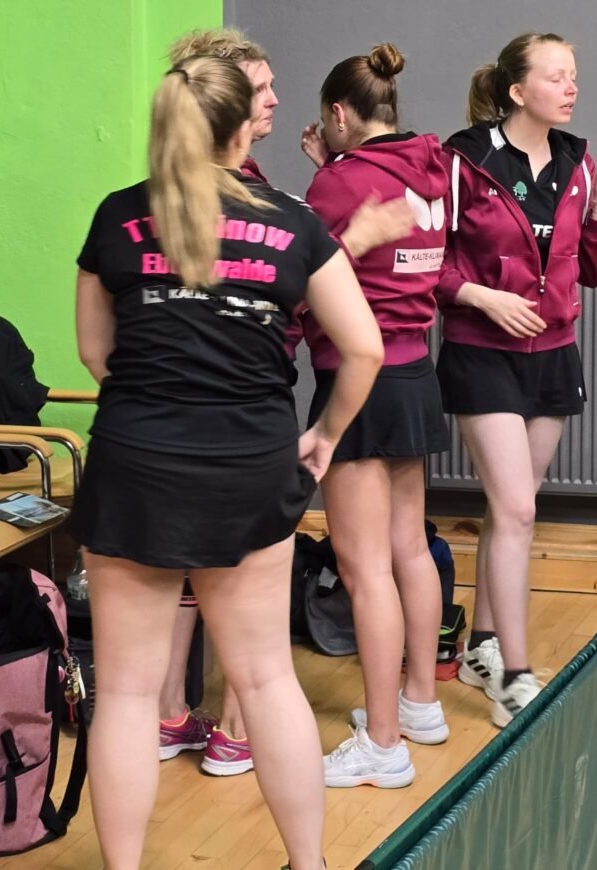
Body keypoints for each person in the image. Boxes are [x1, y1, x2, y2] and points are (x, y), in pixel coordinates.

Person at [70, 56, 383, 870]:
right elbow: (364, 348)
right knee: (268, 679)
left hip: (134, 464)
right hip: (250, 463)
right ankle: (308, 864)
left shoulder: (115, 216)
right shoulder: (291, 221)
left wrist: (158, 409)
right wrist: (325, 436)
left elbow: (96, 355)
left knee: (128, 692)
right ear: (244, 129)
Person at [157, 27, 414, 777]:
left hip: (176, 419)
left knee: (188, 567)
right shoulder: (254, 198)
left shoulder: (166, 191)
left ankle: (170, 715)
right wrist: (352, 239)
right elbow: (268, 302)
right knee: (246, 571)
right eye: (262, 87)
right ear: (223, 99)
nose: (275, 97)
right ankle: (237, 732)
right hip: (247, 412)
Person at [437, 33, 597, 726]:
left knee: (509, 509)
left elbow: (592, 270)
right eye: (555, 77)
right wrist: (482, 298)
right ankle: (517, 677)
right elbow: (430, 262)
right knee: (517, 510)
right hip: (482, 351)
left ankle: (482, 646)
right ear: (518, 91)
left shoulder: (578, 162)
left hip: (554, 353)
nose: (571, 87)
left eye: (573, 75)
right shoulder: (464, 160)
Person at [298, 43, 450, 789]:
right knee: (409, 548)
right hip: (415, 369)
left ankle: (383, 745)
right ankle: (420, 703)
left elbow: (309, 277)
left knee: (364, 571)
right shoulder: (433, 168)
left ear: (337, 113)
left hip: (355, 379)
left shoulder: (337, 183)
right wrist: (330, 164)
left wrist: (325, 173)